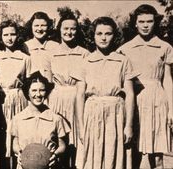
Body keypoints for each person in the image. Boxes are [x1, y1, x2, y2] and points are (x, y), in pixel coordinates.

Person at [74, 16, 136, 169]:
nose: (103, 37)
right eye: (99, 33)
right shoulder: (85, 61)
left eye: (108, 33)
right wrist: (81, 127)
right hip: (92, 114)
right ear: (92, 35)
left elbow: (130, 94)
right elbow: (80, 96)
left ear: (114, 36)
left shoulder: (123, 61)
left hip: (116, 115)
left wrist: (128, 126)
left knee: (113, 157)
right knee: (91, 157)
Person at [118, 4, 173, 168]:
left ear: (155, 22)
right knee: (132, 152)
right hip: (133, 101)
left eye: (149, 21)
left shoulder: (165, 47)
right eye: (141, 21)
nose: (145, 25)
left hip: (157, 100)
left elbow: (167, 79)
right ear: (135, 23)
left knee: (157, 156)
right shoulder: (124, 49)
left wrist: (172, 108)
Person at [0, 20, 31, 169]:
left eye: (13, 34)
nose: (9, 38)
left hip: (19, 100)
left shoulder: (25, 58)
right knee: (3, 144)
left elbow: (30, 84)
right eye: (6, 34)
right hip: (0, 103)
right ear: (1, 36)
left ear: (18, 36)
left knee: (19, 140)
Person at [48, 12, 90, 169]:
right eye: (65, 28)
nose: (69, 32)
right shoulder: (51, 54)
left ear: (77, 30)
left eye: (73, 29)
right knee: (59, 143)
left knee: (77, 144)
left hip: (78, 101)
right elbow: (48, 82)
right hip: (57, 100)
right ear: (59, 29)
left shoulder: (85, 53)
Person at [11, 71, 70, 169]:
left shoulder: (56, 118)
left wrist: (55, 155)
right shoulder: (18, 118)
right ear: (27, 92)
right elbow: (15, 143)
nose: (38, 94)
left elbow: (62, 146)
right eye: (34, 90)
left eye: (42, 90)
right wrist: (19, 153)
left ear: (46, 92)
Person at [24, 12, 58, 82]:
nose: (39, 29)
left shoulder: (55, 46)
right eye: (36, 25)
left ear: (48, 26)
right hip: (31, 89)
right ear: (31, 26)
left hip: (51, 88)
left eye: (43, 25)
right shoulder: (25, 46)